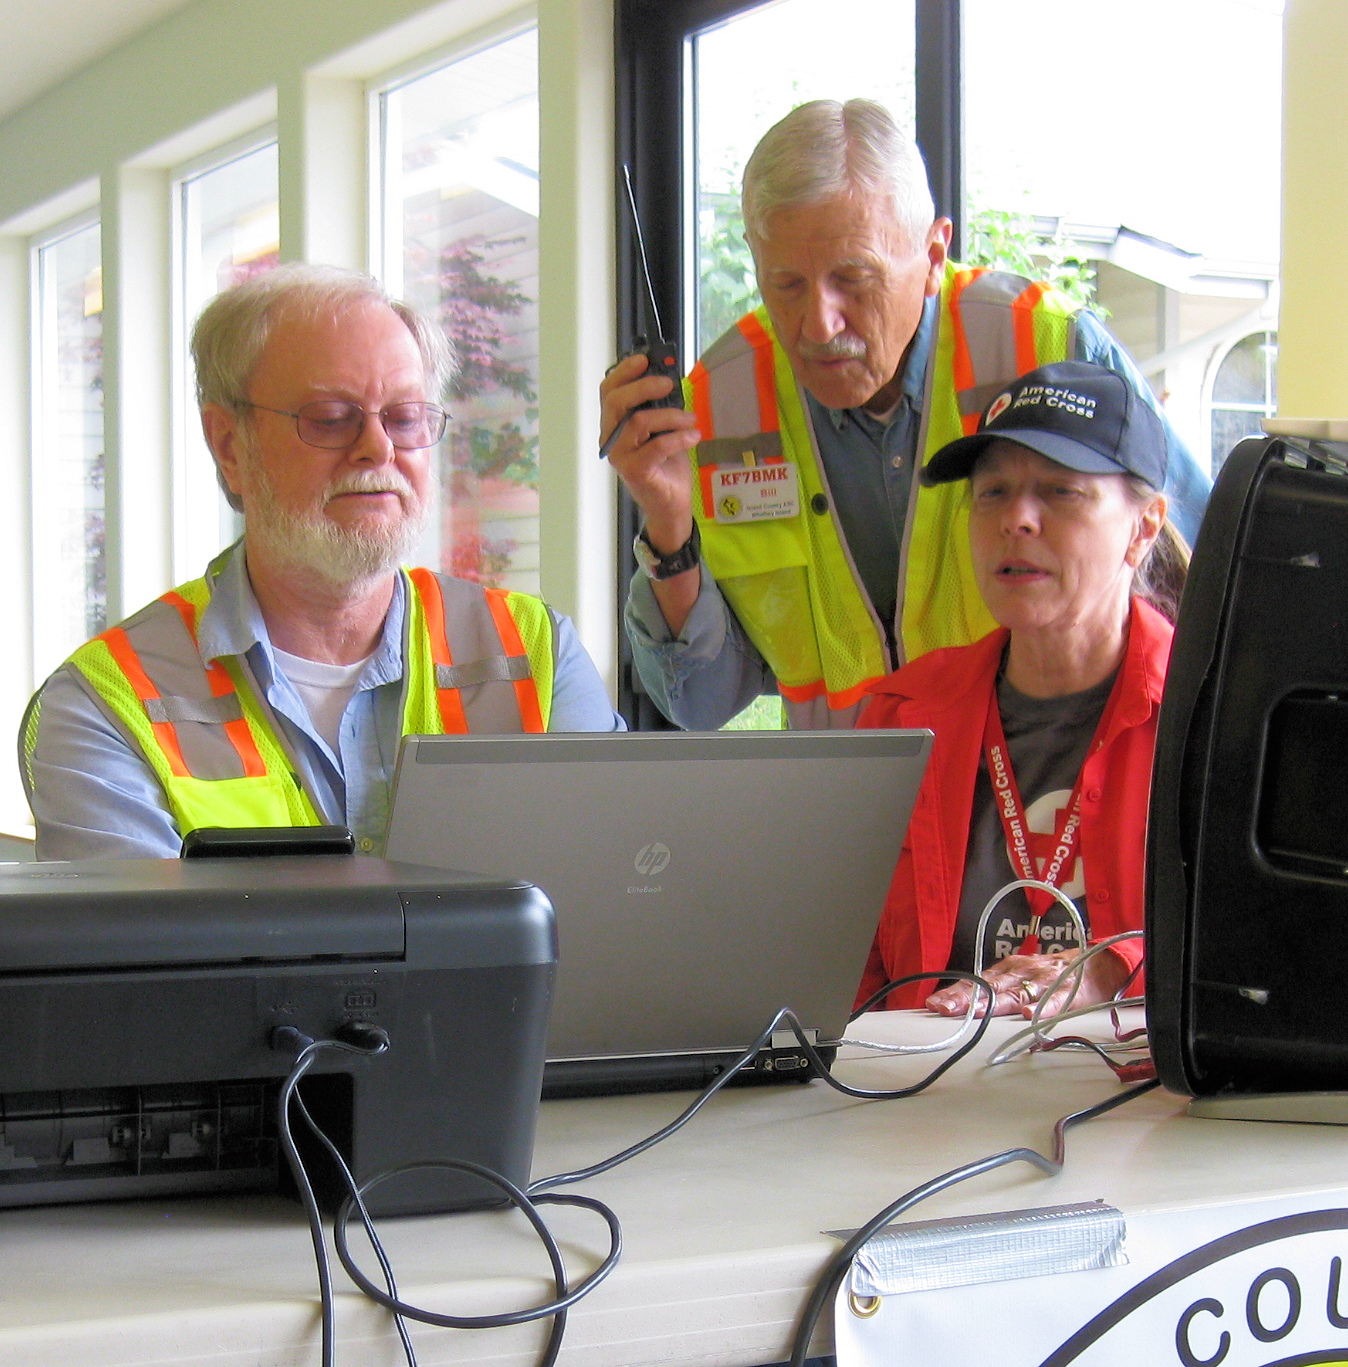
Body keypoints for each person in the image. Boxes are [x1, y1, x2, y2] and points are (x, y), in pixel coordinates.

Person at [603, 98, 1208, 731]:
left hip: (1040, 779)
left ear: (934, 255)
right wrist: (668, 524)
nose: (819, 324)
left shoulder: (1049, 347)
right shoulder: (719, 408)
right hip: (848, 790)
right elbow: (699, 703)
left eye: (853, 278)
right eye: (787, 285)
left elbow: (1201, 589)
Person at [22, 263, 623, 860]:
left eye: (405, 417)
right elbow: (147, 929)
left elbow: (608, 891)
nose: (378, 448)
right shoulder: (106, 702)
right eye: (331, 420)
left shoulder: (536, 653)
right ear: (230, 447)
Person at [852, 360, 1184, 1018]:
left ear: (1143, 528)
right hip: (922, 1078)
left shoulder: (1213, 717)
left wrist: (1113, 969)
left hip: (1135, 1081)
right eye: (993, 492)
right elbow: (845, 966)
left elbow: (1265, 955)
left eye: (1060, 491)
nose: (1016, 519)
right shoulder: (899, 718)